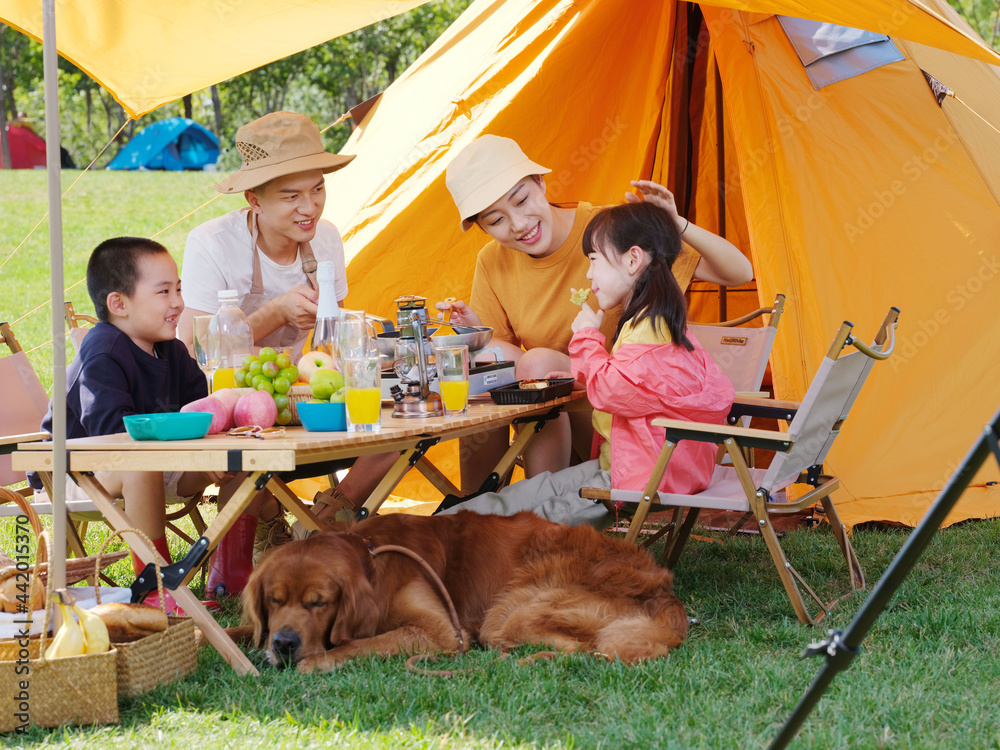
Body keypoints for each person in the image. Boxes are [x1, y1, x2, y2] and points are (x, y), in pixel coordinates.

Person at [441, 135, 752, 493]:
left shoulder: (606, 234)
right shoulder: (492, 262)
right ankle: (474, 510)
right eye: (496, 220)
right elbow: (496, 357)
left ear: (541, 183)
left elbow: (739, 272)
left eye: (523, 200)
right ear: (482, 227)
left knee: (539, 366)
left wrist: (676, 223)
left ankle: (544, 516)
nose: (518, 224)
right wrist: (471, 335)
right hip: (552, 418)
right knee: (482, 372)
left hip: (621, 421)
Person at [179, 111, 397, 597]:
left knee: (399, 422)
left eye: (317, 189)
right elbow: (193, 348)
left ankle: (325, 520)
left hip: (303, 394)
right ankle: (233, 572)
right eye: (292, 196)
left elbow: (332, 335)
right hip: (224, 399)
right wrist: (274, 313)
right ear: (254, 199)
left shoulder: (327, 239)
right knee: (245, 436)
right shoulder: (212, 244)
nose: (310, 207)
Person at [31, 237, 232, 614]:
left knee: (237, 460)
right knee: (139, 463)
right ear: (119, 304)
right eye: (163, 292)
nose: (178, 302)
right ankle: (156, 585)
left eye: (178, 289)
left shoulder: (170, 347)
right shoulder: (103, 350)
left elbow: (200, 410)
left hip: (153, 461)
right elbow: (112, 440)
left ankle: (234, 574)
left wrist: (208, 449)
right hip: (76, 471)